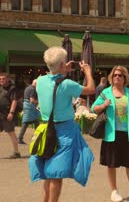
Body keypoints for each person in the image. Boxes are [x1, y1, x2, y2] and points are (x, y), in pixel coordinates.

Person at [28, 46, 95, 202]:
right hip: (64, 132)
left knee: (47, 173)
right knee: (56, 175)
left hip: (44, 129)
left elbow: (51, 80)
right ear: (61, 65)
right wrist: (88, 72)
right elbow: (91, 89)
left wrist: (62, 70)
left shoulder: (40, 81)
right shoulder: (67, 84)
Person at [92, 66, 129, 202]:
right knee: (111, 164)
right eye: (115, 75)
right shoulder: (106, 93)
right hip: (111, 134)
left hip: (128, 134)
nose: (117, 77)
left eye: (120, 75)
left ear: (125, 78)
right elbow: (94, 108)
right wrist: (103, 105)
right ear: (111, 78)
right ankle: (114, 191)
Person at [0, 73, 20, 158]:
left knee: (11, 133)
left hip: (7, 114)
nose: (1, 80)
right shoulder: (0, 88)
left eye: (3, 79)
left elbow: (14, 101)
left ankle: (16, 152)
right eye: (0, 79)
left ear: (8, 79)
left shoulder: (12, 88)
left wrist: (11, 113)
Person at [18, 79, 41, 145]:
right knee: (35, 122)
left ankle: (20, 138)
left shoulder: (28, 87)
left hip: (26, 106)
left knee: (26, 123)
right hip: (30, 107)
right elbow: (32, 100)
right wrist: (39, 102)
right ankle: (38, 137)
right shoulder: (33, 89)